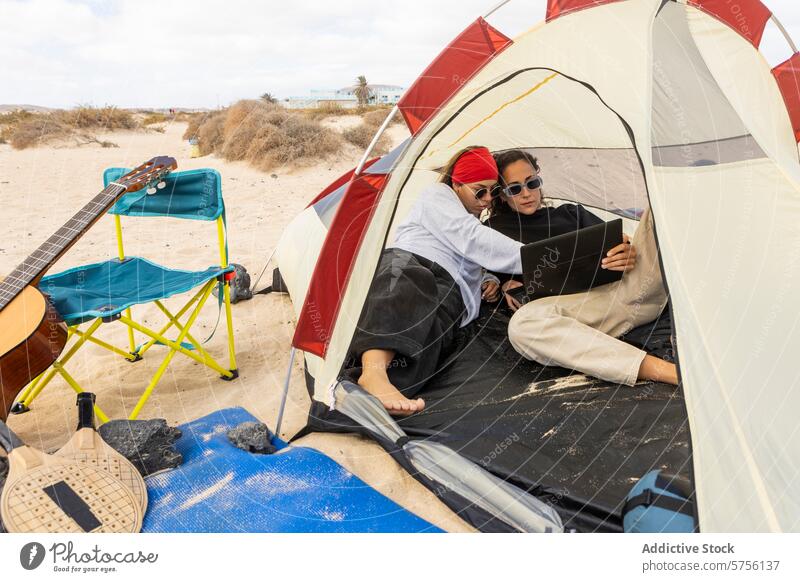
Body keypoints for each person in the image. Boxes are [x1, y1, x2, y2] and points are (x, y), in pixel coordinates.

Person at [347, 146, 523, 415]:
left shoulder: (475, 220)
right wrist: (536, 257)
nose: (488, 199)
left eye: (493, 191)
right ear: (457, 184)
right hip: (415, 258)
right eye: (480, 190)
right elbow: (468, 238)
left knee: (434, 331)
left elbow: (471, 253)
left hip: (453, 285)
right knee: (405, 287)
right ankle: (374, 374)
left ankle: (386, 385)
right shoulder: (437, 195)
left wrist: (487, 278)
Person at [487, 149, 678, 386]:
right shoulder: (491, 231)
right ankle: (664, 371)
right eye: (514, 188)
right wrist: (501, 283)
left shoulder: (571, 213)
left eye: (532, 183)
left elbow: (618, 240)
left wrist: (628, 251)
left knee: (662, 197)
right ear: (502, 195)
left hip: (628, 290)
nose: (526, 193)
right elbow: (480, 276)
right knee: (522, 326)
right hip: (576, 313)